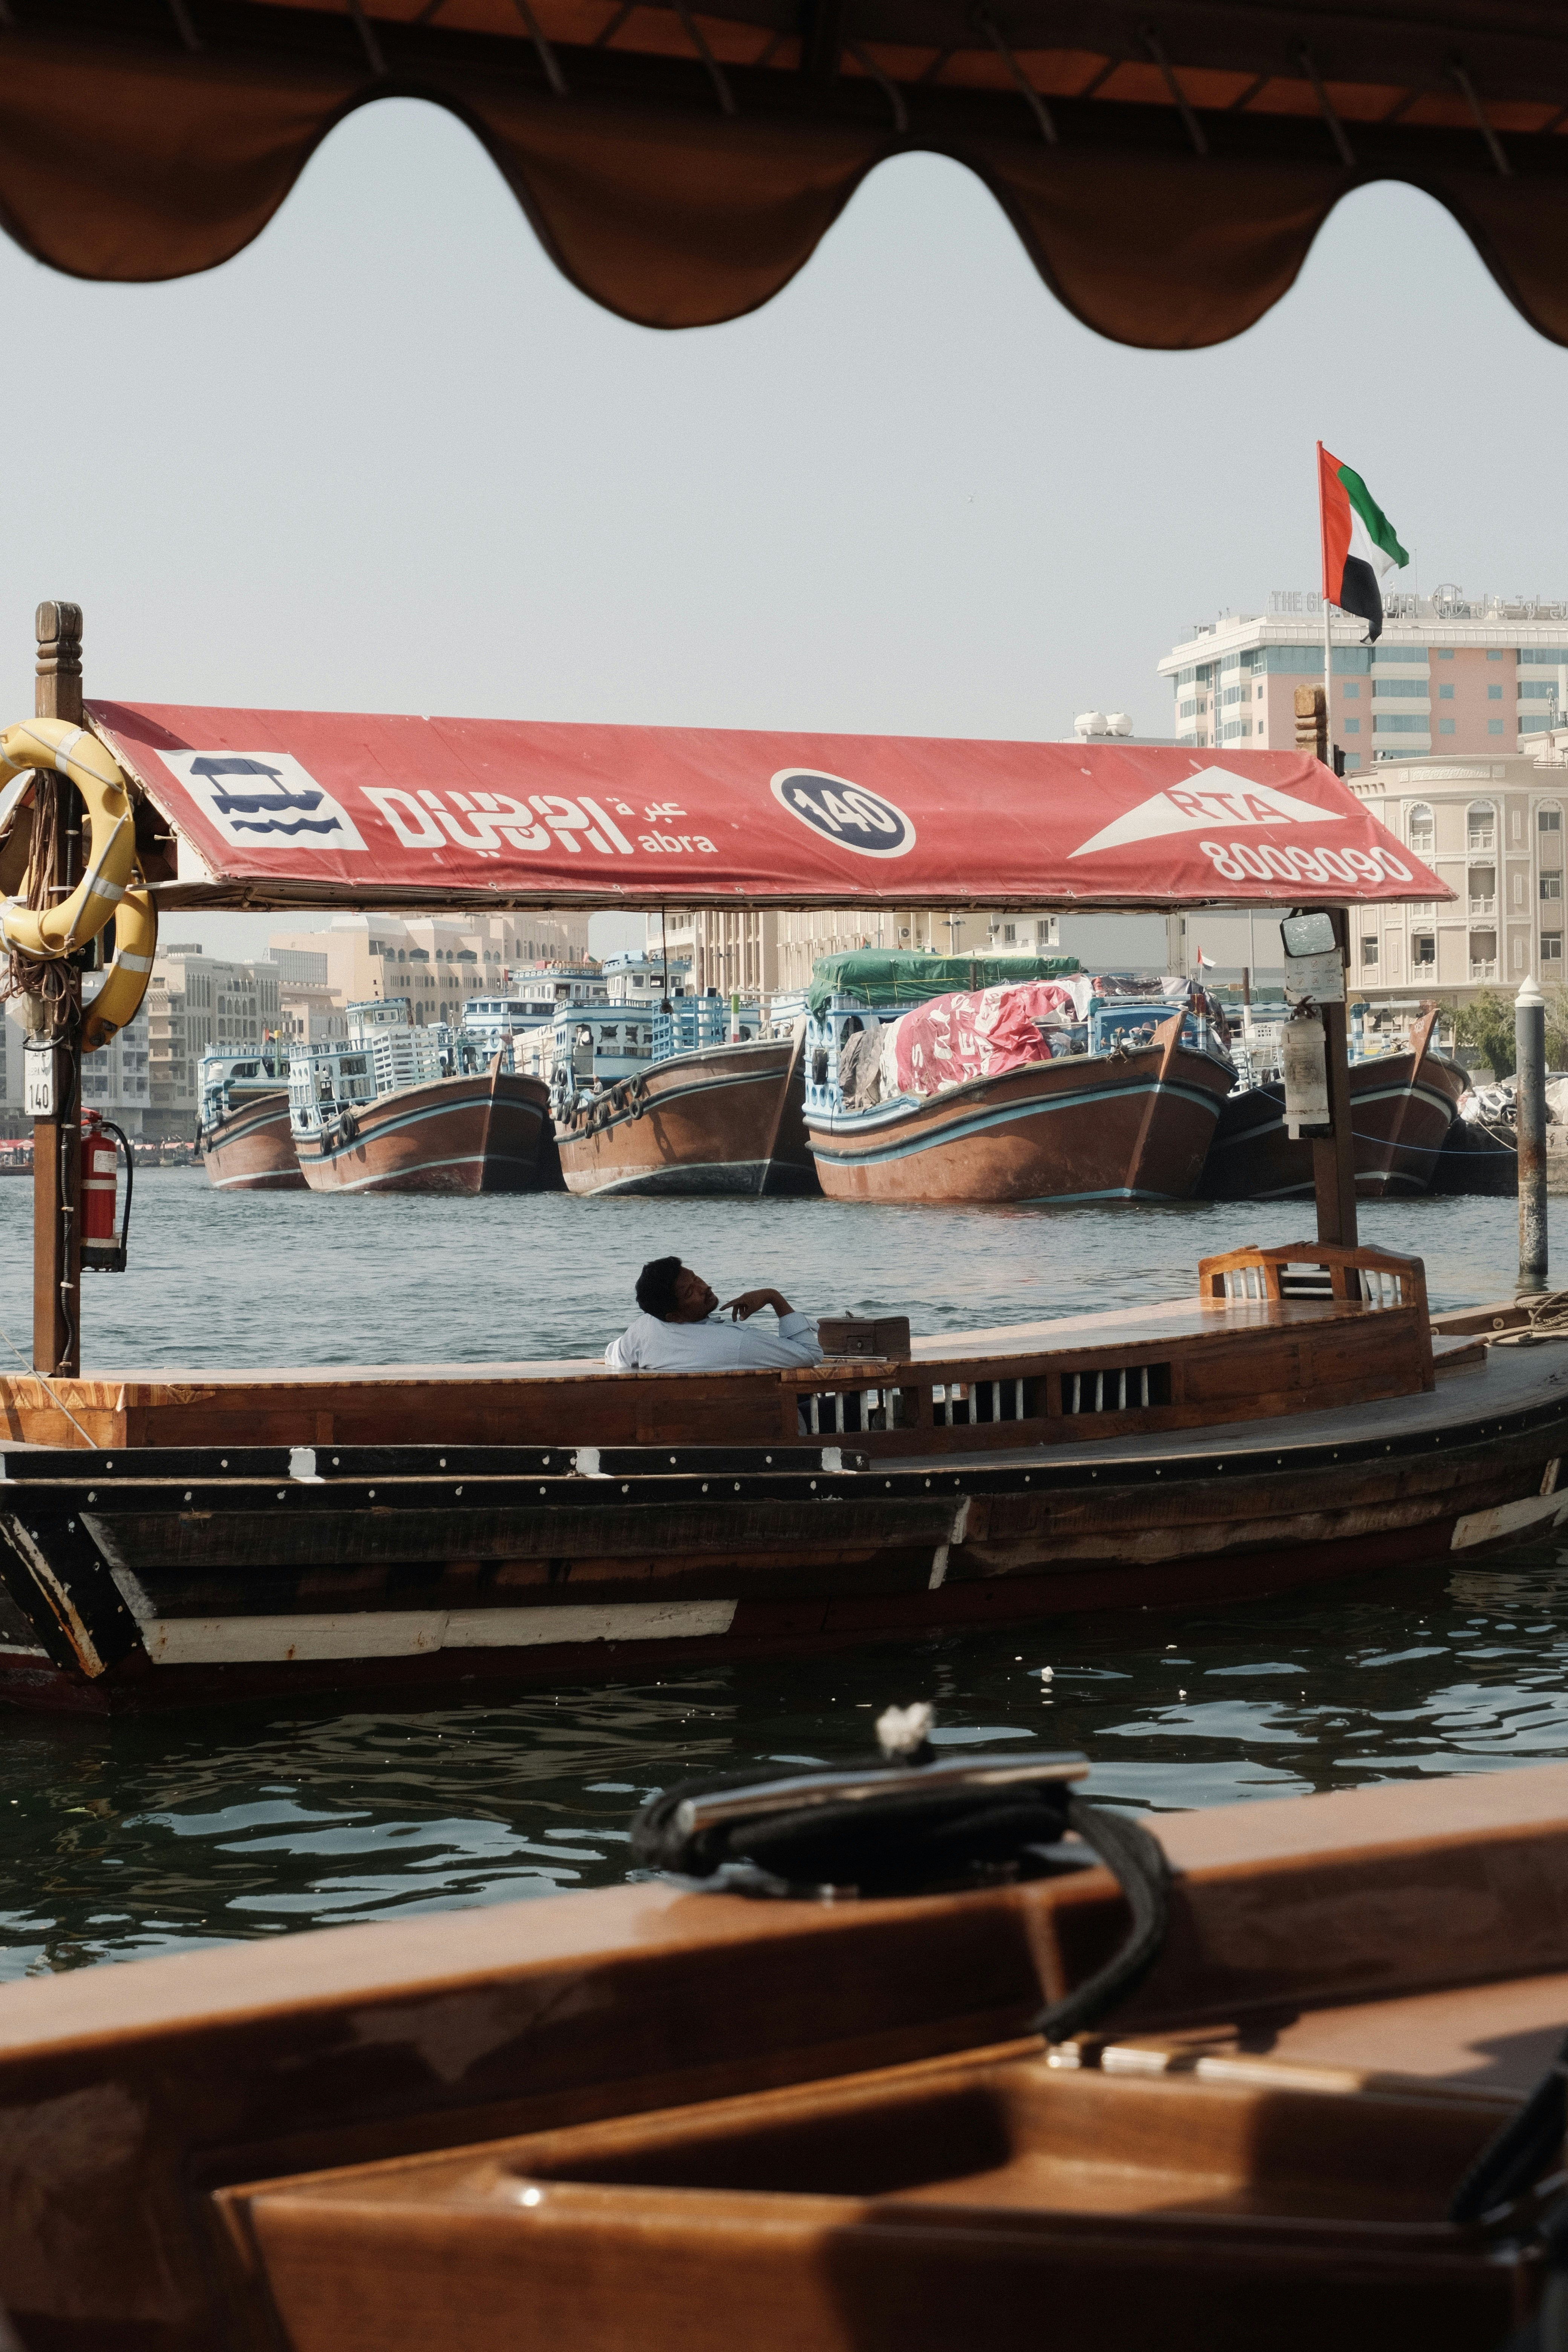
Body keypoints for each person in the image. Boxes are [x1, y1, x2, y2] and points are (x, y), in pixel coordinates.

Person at [605, 1256, 822, 1370]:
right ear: (674, 1317)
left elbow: (613, 1356)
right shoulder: (737, 1342)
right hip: (768, 1429)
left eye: (696, 1278)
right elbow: (810, 1354)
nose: (704, 1287)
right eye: (690, 1292)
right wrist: (773, 1297)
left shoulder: (644, 1329)